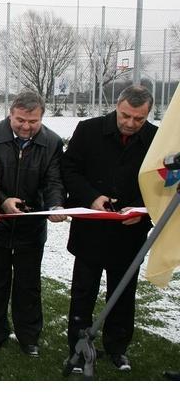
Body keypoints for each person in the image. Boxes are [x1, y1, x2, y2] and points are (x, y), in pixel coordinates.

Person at [62, 85, 157, 372]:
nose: (130, 123)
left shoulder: (155, 139)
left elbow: (161, 184)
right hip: (90, 231)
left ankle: (117, 347)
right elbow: (69, 170)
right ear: (117, 105)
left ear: (148, 114)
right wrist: (92, 197)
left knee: (123, 293)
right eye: (125, 115)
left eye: (138, 119)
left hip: (130, 233)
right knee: (83, 293)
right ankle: (77, 348)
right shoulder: (88, 130)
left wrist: (140, 209)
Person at [0, 90, 66, 358]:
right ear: (11, 113)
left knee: (28, 283)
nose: (26, 126)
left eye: (33, 121)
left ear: (42, 117)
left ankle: (29, 335)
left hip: (32, 226)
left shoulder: (52, 142)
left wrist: (55, 205)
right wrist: (2, 202)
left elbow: (54, 181)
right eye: (20, 120)